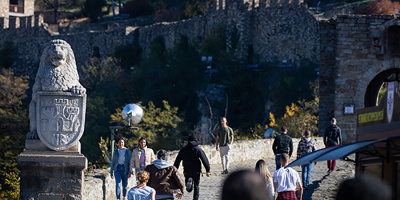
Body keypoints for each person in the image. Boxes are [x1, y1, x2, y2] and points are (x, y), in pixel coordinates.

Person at [174, 135, 212, 200]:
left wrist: (174, 170)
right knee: (196, 186)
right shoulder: (198, 149)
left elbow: (177, 161)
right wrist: (208, 170)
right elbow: (204, 159)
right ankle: (195, 199)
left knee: (188, 187)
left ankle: (189, 186)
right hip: (196, 170)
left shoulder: (183, 150)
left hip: (187, 169)